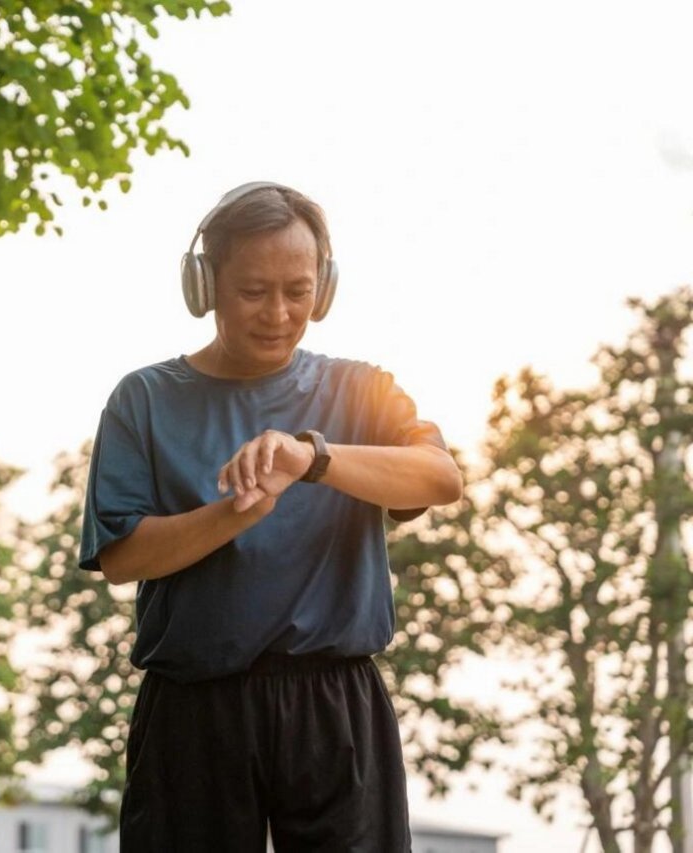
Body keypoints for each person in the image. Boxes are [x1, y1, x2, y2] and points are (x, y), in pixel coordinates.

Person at [79, 181, 463, 852]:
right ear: (204, 285)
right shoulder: (142, 398)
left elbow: (439, 477)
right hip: (193, 709)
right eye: (253, 291)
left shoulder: (360, 387)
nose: (279, 313)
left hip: (334, 703)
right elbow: (123, 557)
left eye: (298, 290)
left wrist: (312, 456)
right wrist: (236, 510)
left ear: (326, 286)